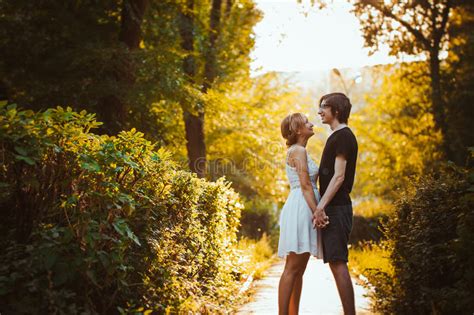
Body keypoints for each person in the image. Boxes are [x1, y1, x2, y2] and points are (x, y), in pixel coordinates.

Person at [278, 113, 328, 315]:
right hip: (302, 207)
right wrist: (318, 211)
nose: (312, 124)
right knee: (292, 268)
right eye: (307, 122)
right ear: (298, 129)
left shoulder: (300, 150)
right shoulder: (298, 151)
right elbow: (306, 185)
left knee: (299, 270)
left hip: (305, 205)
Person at [314, 92, 358, 315]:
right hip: (336, 207)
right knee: (336, 262)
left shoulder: (342, 136)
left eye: (324, 107)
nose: (319, 111)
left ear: (337, 111)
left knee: (338, 262)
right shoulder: (337, 136)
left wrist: (320, 206)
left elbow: (339, 176)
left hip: (337, 208)